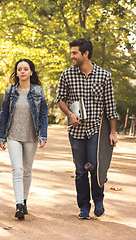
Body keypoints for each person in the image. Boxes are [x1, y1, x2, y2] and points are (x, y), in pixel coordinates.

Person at [56, 38, 118, 219]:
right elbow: (60, 99)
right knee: (80, 170)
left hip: (96, 130)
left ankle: (99, 199)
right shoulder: (67, 75)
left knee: (96, 165)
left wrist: (113, 132)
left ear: (86, 54)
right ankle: (84, 207)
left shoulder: (104, 76)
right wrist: (69, 114)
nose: (71, 56)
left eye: (75, 53)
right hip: (76, 131)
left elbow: (110, 106)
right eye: (71, 52)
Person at [0, 59, 48, 220]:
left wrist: (43, 135)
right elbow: (4, 113)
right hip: (13, 135)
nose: (23, 72)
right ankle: (18, 204)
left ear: (31, 72)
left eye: (26, 69)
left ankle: (24, 200)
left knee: (26, 170)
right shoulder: (10, 91)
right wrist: (1, 135)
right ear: (17, 72)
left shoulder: (38, 91)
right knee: (17, 170)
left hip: (31, 136)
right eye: (19, 69)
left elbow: (43, 114)